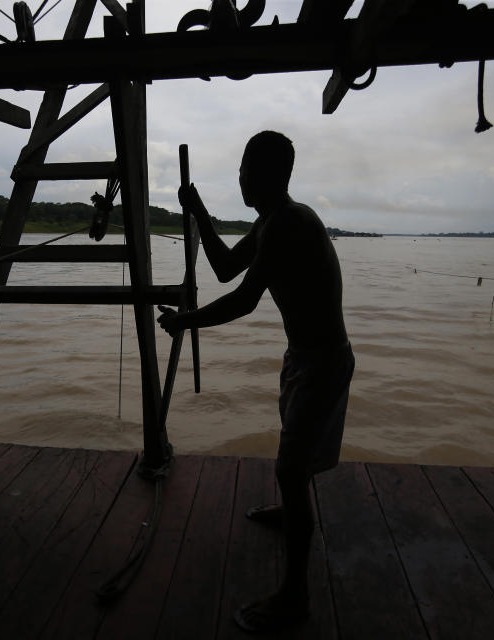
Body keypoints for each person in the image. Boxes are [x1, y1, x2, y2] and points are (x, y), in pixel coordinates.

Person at [157, 130, 354, 632]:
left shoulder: (289, 223)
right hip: (303, 354)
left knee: (292, 467)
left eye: (245, 168)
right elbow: (224, 268)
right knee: (294, 449)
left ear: (268, 175)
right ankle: (291, 510)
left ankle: (295, 599)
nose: (239, 177)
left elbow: (242, 301)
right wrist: (198, 209)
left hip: (323, 360)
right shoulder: (272, 221)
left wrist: (184, 321)